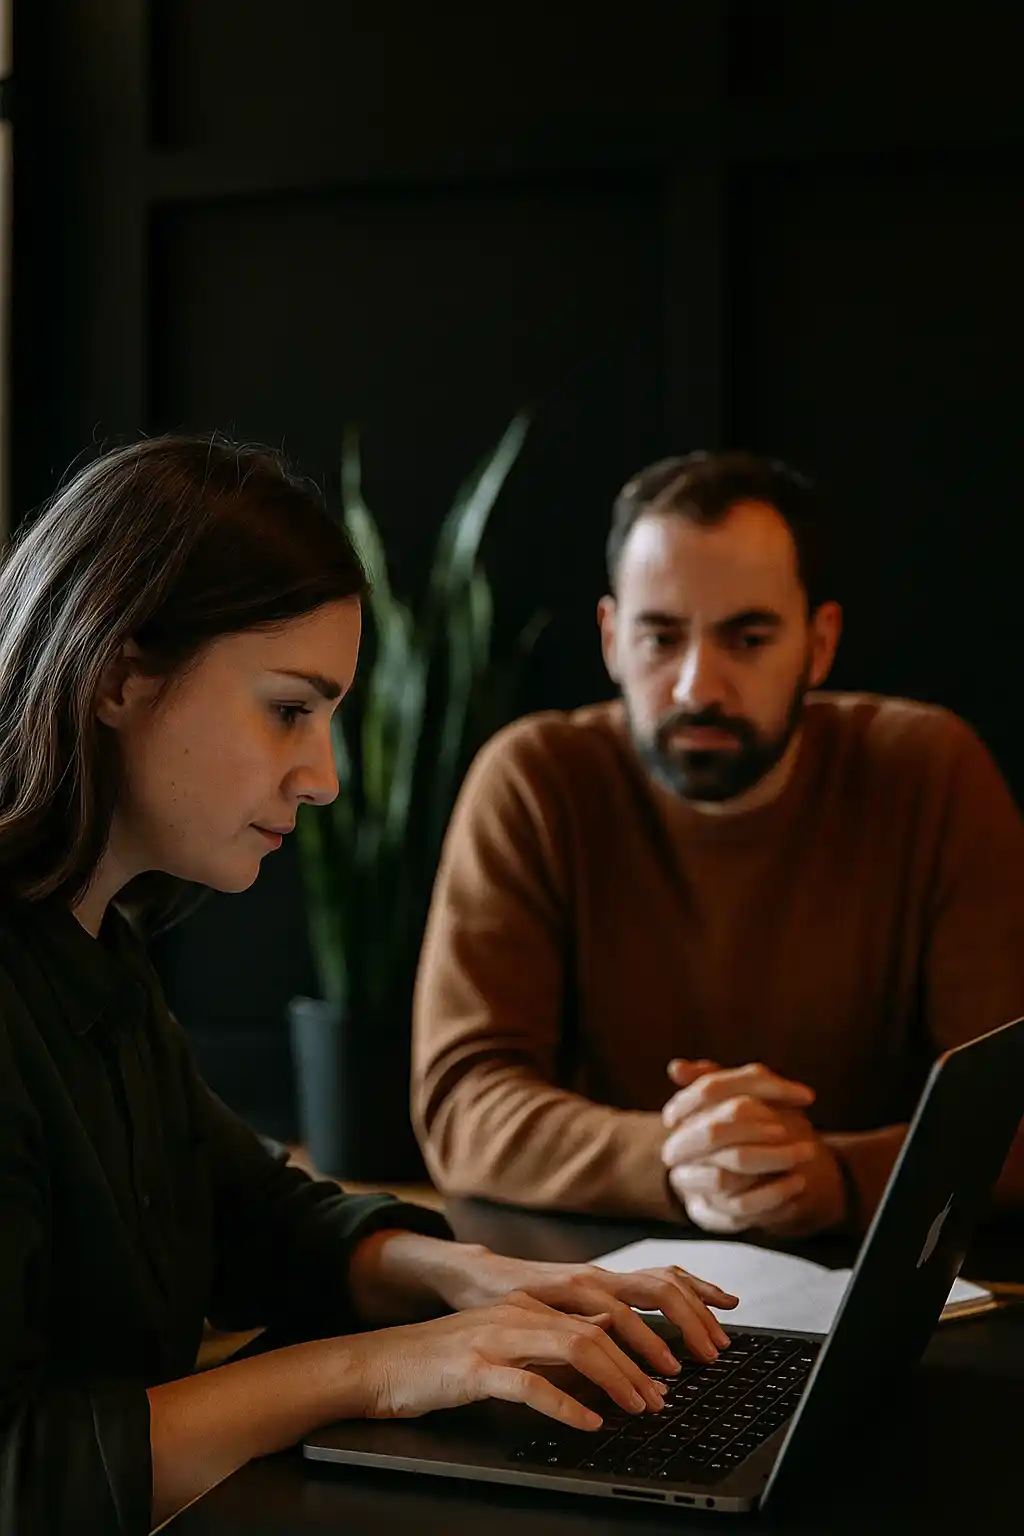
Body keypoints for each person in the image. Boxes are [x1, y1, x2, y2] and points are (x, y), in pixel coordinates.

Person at [0, 436, 739, 1535]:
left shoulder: (93, 944)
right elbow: (21, 1474)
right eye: (290, 709)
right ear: (117, 676)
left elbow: (248, 1210)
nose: (326, 776)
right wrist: (379, 1372)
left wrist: (468, 1278)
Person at [412, 449, 1024, 1237]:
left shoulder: (930, 773)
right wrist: (675, 1156)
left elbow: (1008, 1110)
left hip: (869, 1278)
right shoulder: (534, 782)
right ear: (610, 637)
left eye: (748, 638)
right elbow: (462, 1103)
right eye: (660, 638)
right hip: (593, 1281)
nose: (698, 685)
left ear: (821, 642)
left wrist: (836, 1176)